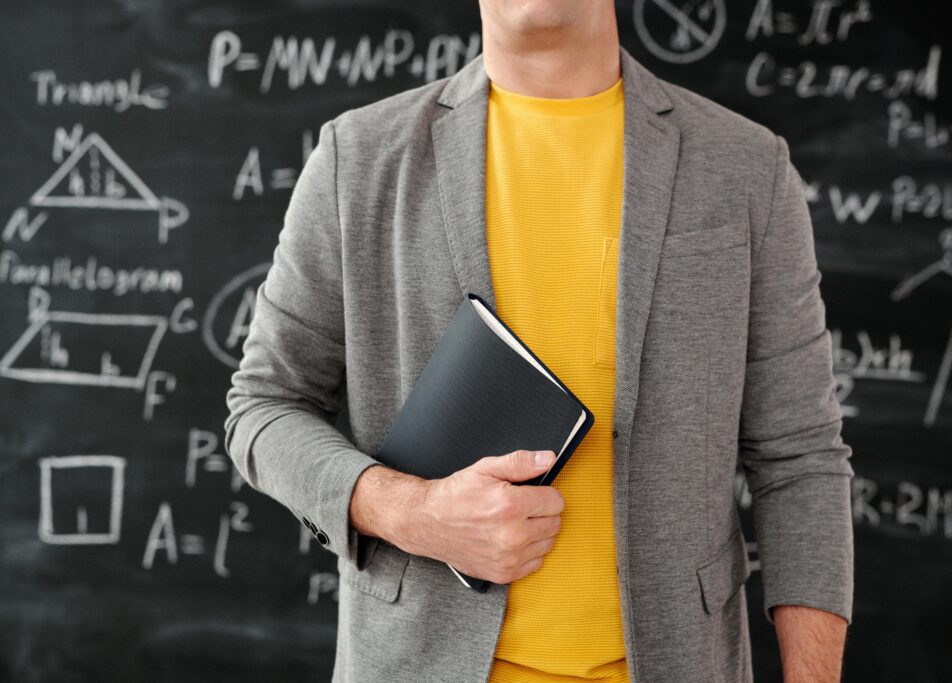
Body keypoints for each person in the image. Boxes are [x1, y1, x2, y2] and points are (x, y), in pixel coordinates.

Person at [224, 1, 854, 681]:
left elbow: (800, 456)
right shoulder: (360, 159)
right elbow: (263, 407)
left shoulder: (746, 170)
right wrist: (414, 512)